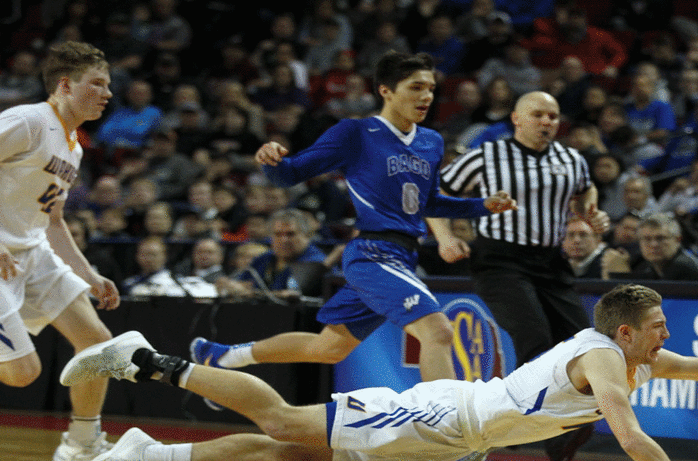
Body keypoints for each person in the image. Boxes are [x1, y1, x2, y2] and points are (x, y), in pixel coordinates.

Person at [62, 283, 698, 461]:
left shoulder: (635, 356)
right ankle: (145, 358)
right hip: (449, 415)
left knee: (300, 457)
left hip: (457, 436)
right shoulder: (606, 360)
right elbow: (636, 440)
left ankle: (145, 454)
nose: (666, 335)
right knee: (285, 420)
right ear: (626, 328)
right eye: (658, 326)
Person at [187, 52, 516, 385]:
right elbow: (290, 175)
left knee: (328, 347)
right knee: (438, 331)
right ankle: (443, 424)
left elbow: (428, 203)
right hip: (373, 253)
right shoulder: (355, 133)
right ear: (386, 91)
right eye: (416, 87)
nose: (426, 96)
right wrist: (271, 160)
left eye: (430, 88)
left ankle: (224, 355)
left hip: (402, 255)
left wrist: (481, 206)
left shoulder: (431, 141)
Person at [0, 41, 122, 461]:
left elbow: (54, 221)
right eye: (97, 83)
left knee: (97, 343)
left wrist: (88, 274)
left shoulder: (73, 145)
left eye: (108, 85)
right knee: (22, 374)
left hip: (31, 248)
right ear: (65, 85)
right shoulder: (26, 120)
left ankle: (81, 443)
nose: (107, 93)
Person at [433, 90, 609, 461]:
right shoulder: (487, 155)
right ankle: (504, 430)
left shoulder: (571, 158)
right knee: (535, 340)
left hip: (550, 261)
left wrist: (591, 210)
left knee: (585, 344)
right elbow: (438, 192)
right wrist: (446, 236)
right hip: (500, 260)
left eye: (553, 115)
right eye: (538, 114)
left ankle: (541, 431)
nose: (546, 121)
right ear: (516, 118)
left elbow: (585, 188)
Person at [602, 213, 698, 281]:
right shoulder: (648, 265)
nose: (653, 244)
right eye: (647, 239)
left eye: (661, 238)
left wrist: (621, 273)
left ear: (678, 240)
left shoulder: (683, 266)